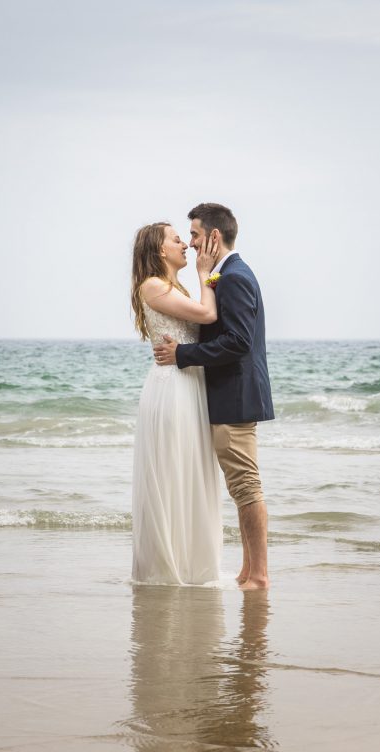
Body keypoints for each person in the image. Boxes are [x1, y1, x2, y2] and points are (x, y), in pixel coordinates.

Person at [154, 203, 274, 590]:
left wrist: (182, 355)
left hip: (235, 398)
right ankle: (247, 570)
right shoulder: (225, 275)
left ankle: (259, 574)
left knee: (246, 486)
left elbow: (237, 343)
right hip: (227, 397)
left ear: (213, 237)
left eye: (194, 234)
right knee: (240, 487)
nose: (190, 243)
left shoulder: (234, 278)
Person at [130, 222, 222, 585]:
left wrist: (206, 277)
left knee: (190, 471)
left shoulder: (174, 286)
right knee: (173, 472)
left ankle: (191, 562)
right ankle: (167, 567)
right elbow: (206, 314)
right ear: (158, 250)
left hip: (190, 384)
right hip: (171, 390)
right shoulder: (152, 286)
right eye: (176, 239)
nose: (184, 243)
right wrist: (207, 275)